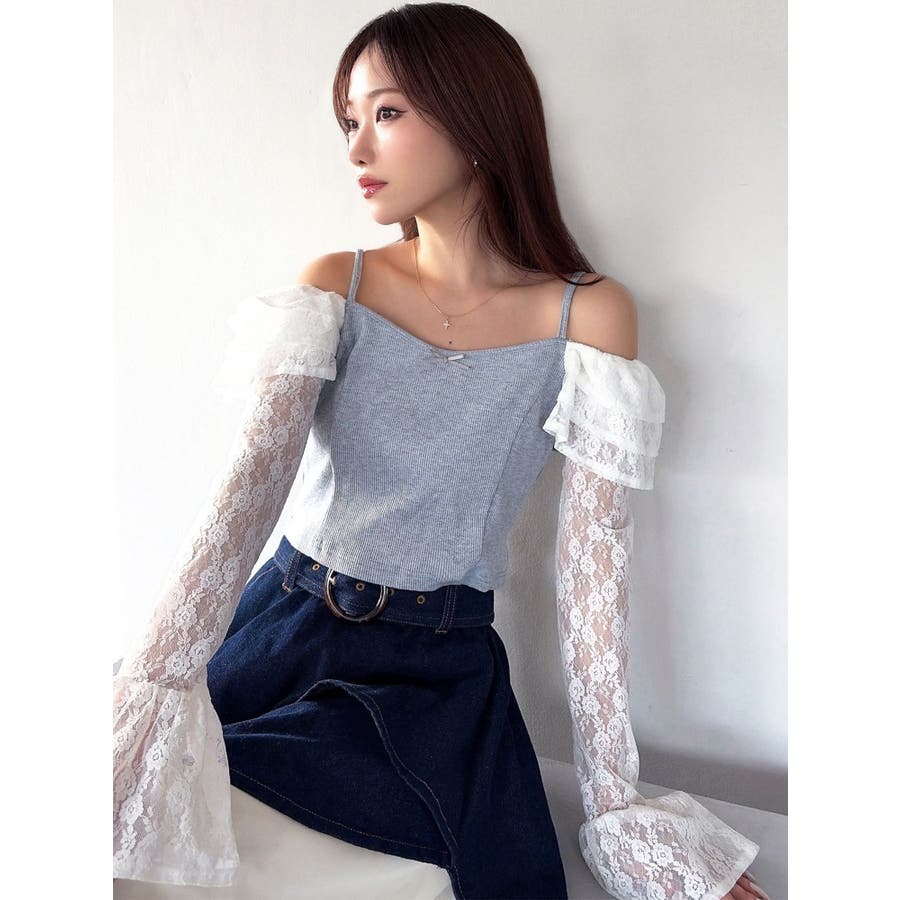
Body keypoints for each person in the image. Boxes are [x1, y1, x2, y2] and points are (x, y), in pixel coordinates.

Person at [113, 4, 768, 899]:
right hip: (283, 634)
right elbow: (243, 501)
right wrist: (147, 699)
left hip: (436, 672)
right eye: (349, 120)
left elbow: (590, 578)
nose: (356, 148)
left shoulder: (587, 315)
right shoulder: (334, 287)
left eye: (386, 113)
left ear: (475, 112)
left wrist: (617, 806)